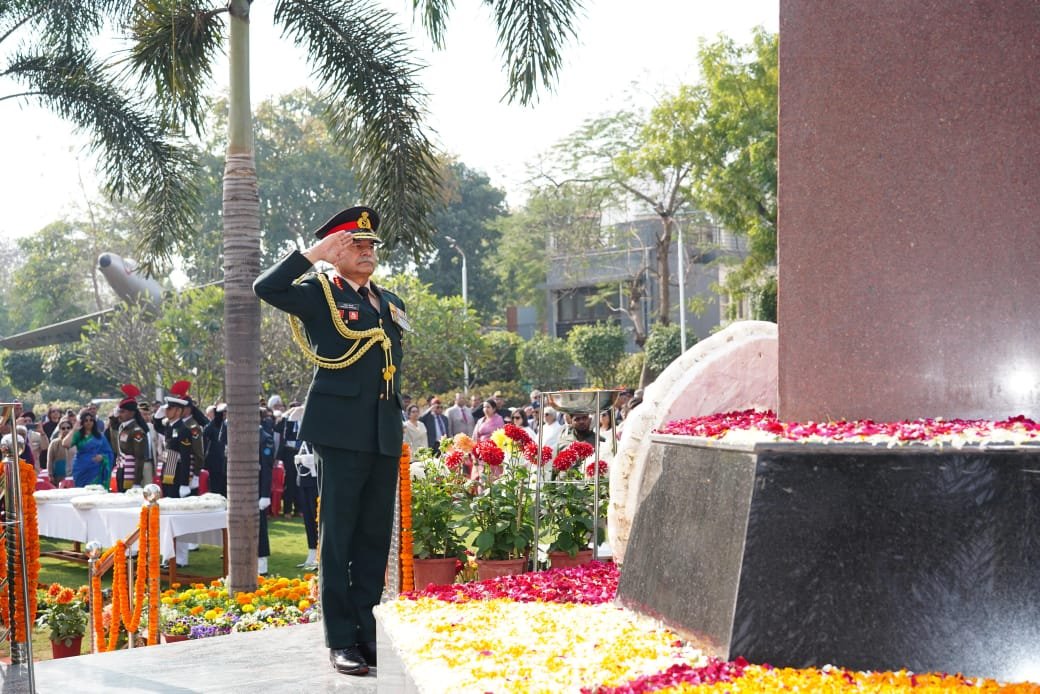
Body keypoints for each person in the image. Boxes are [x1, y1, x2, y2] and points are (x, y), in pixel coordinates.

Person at [254, 205, 407, 677]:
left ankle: (367, 632)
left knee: (373, 537)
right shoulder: (319, 293)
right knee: (338, 537)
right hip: (339, 431)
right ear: (336, 251)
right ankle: (341, 640)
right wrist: (314, 255)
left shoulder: (390, 301)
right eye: (355, 244)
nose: (366, 252)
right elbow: (266, 288)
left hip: (382, 430)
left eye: (370, 245)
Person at [112, 384, 153, 490]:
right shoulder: (123, 427)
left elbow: (139, 458)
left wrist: (137, 482)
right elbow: (113, 425)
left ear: (131, 413)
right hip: (122, 467)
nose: (119, 414)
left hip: (130, 472)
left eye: (122, 412)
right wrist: (115, 414)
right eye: (119, 411)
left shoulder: (136, 431)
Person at [62, 408, 114, 487]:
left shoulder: (100, 436)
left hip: (96, 469)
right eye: (86, 420)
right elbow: (65, 444)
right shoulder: (78, 435)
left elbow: (109, 452)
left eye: (91, 420)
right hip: (81, 468)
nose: (89, 422)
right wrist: (74, 429)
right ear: (82, 422)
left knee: (96, 492)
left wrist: (103, 457)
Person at [257, 409, 275, 575]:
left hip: (258, 489)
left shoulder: (265, 439)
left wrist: (265, 494)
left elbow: (267, 470)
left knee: (260, 527)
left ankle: (262, 564)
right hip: (244, 489)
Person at [47, 420, 73, 485]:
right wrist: (50, 474)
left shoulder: (76, 442)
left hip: (73, 475)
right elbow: (50, 460)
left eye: (68, 428)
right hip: (58, 476)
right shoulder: (54, 443)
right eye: (63, 428)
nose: (66, 430)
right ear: (59, 430)